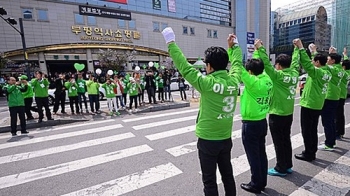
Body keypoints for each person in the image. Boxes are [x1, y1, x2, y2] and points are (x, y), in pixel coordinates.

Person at [162, 27, 241, 196]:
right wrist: (234, 47)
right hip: (226, 137)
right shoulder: (234, 81)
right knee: (228, 175)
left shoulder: (206, 83)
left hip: (207, 139)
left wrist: (170, 42)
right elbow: (237, 65)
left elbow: (184, 66)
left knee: (209, 179)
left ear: (209, 66)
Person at [230, 39, 273, 194]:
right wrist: (257, 49)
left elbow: (237, 66)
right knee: (261, 153)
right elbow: (259, 63)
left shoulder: (252, 82)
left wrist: (233, 47)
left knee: (253, 156)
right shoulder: (266, 79)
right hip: (262, 122)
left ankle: (256, 184)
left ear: (250, 72)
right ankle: (262, 181)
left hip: (250, 125)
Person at [253, 40, 299, 177]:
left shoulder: (277, 76)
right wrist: (297, 49)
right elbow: (296, 62)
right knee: (286, 139)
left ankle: (281, 168)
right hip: (288, 113)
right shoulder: (295, 74)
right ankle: (288, 165)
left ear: (278, 65)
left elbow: (266, 65)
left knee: (279, 142)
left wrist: (260, 49)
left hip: (277, 114)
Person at [294, 39, 332, 162]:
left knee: (307, 130)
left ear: (317, 63)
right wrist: (314, 52)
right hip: (317, 104)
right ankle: (311, 151)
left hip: (309, 104)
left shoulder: (317, 73)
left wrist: (301, 48)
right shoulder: (327, 71)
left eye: (314, 61)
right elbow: (316, 61)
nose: (312, 62)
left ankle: (309, 153)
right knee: (312, 129)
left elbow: (307, 64)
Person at [317, 47, 344, 151]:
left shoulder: (332, 69)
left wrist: (315, 51)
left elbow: (322, 64)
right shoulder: (340, 68)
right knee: (331, 120)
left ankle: (329, 144)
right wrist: (333, 54)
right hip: (335, 96)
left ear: (333, 61)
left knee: (327, 121)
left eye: (328, 59)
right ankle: (331, 141)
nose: (327, 60)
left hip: (329, 97)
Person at [336, 48, 350, 139]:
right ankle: (340, 132)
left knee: (337, 115)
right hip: (343, 94)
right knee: (340, 114)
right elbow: (347, 62)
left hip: (339, 95)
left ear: (343, 67)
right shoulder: (348, 71)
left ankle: (338, 132)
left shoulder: (343, 73)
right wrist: (345, 54)